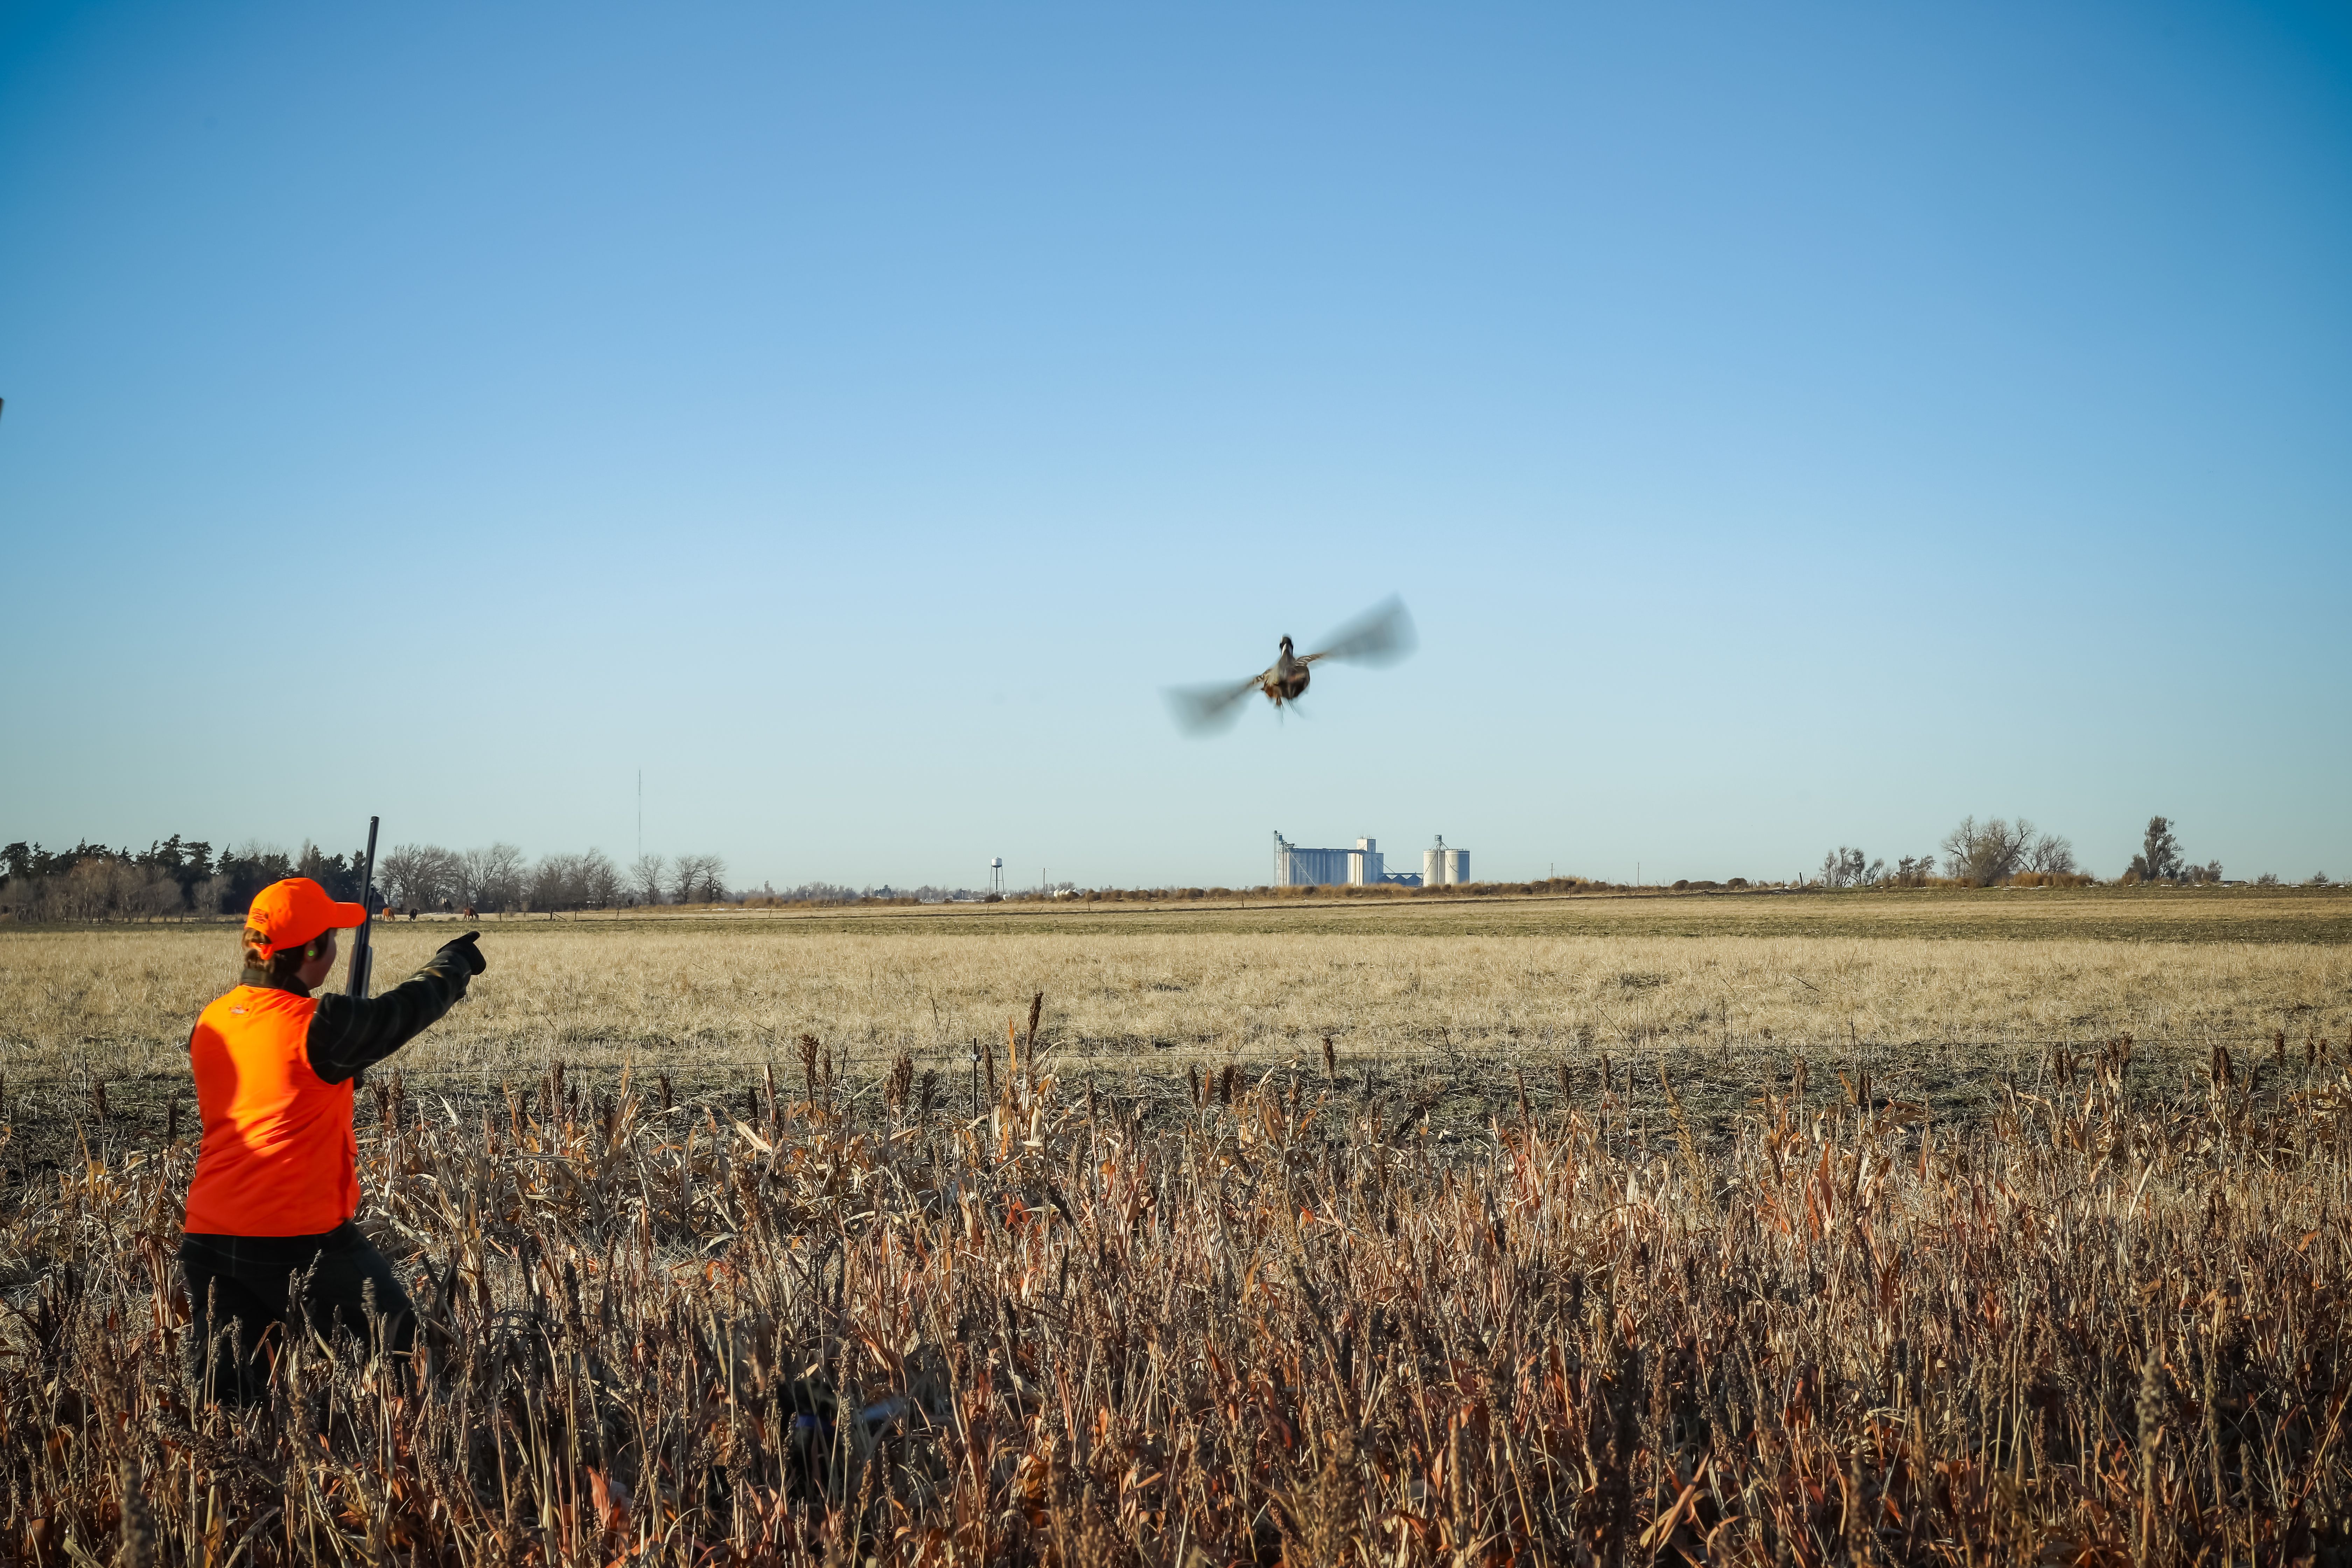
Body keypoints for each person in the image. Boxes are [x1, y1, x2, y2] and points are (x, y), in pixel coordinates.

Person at [179, 875, 487, 1404]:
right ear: (314, 949)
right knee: (410, 1357)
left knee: (225, 1399)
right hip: (297, 1240)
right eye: (332, 937)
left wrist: (340, 1071)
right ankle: (428, 1457)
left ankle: (232, 1482)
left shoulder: (213, 1020)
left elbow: (275, 1087)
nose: (339, 946)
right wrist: (453, 964)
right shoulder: (317, 1026)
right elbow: (403, 1011)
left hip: (208, 1236)